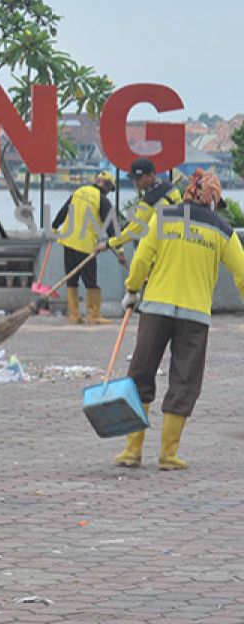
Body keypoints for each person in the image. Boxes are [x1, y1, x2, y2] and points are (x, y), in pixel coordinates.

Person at [115, 169, 244, 470]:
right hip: (194, 315)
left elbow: (142, 260)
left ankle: (132, 451)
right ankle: (168, 454)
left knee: (140, 373)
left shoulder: (162, 217)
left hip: (156, 309)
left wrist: (132, 290)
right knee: (185, 379)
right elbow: (242, 274)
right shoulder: (223, 230)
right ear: (213, 199)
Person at [50, 170, 121, 325]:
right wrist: (120, 250)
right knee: (90, 281)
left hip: (67, 241)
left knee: (72, 279)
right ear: (107, 186)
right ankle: (93, 315)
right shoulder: (101, 200)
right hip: (85, 245)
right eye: (110, 189)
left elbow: (64, 210)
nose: (109, 192)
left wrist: (54, 227)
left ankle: (74, 315)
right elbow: (111, 226)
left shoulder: (79, 191)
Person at [100, 157, 183, 256]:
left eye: (139, 179)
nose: (136, 183)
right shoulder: (171, 188)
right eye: (134, 179)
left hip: (162, 249)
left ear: (151, 175)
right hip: (178, 241)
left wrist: (108, 244)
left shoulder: (149, 200)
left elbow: (134, 230)